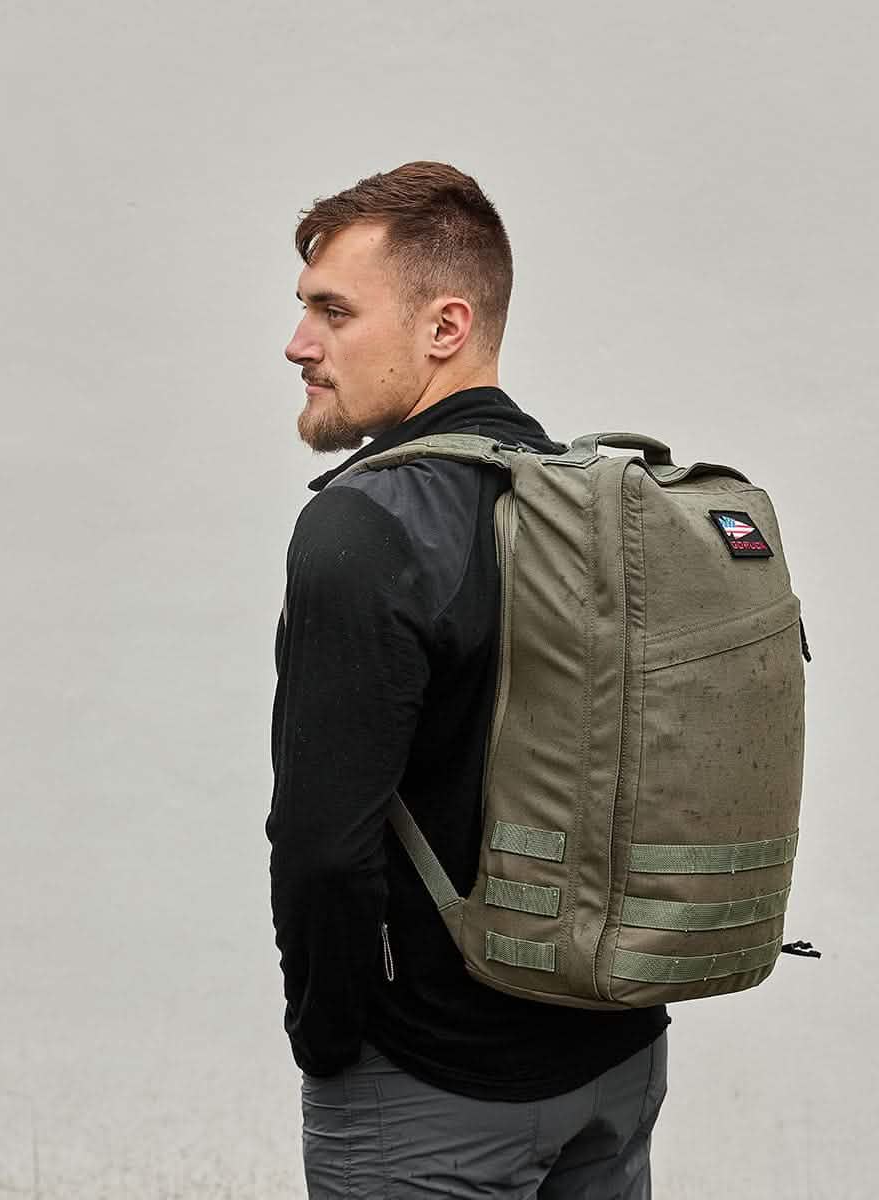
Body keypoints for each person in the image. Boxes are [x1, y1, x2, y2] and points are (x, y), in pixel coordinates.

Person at [267, 161, 670, 1198]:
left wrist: (332, 1048)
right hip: (616, 1056)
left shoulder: (366, 526)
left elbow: (324, 849)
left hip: (432, 1093)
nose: (298, 343)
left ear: (445, 326)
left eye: (333, 312)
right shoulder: (593, 510)